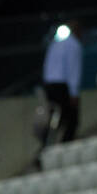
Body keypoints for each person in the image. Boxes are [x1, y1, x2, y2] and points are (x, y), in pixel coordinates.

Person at [36, 19, 83, 168]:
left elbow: (47, 67)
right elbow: (73, 70)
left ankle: (46, 150)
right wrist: (73, 93)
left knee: (55, 119)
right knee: (72, 120)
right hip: (62, 85)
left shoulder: (55, 44)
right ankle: (63, 151)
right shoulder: (73, 45)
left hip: (50, 84)